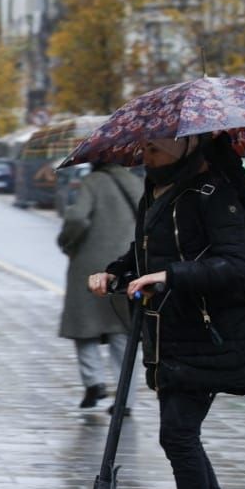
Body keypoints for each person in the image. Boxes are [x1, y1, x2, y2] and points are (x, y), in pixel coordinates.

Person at [87, 133, 245, 489]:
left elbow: (235, 265)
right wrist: (116, 274)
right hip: (173, 334)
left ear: (188, 148)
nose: (144, 155)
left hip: (215, 336)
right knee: (179, 435)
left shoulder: (215, 194)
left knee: (177, 434)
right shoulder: (156, 191)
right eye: (144, 148)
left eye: (153, 149)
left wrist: (169, 276)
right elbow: (146, 254)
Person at [58, 162, 142, 413]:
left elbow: (77, 217)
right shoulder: (136, 183)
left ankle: (93, 381)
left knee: (83, 326)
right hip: (127, 263)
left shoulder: (92, 182)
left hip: (90, 264)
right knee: (121, 330)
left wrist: (67, 243)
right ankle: (125, 398)